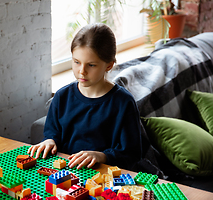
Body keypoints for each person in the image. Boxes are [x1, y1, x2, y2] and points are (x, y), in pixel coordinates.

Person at [28, 23, 142, 170]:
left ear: (108, 65)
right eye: (76, 62)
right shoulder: (62, 97)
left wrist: (101, 156)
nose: (82, 71)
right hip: (64, 175)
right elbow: (52, 133)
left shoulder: (123, 102)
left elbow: (132, 154)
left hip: (103, 178)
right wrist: (49, 141)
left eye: (91, 65)